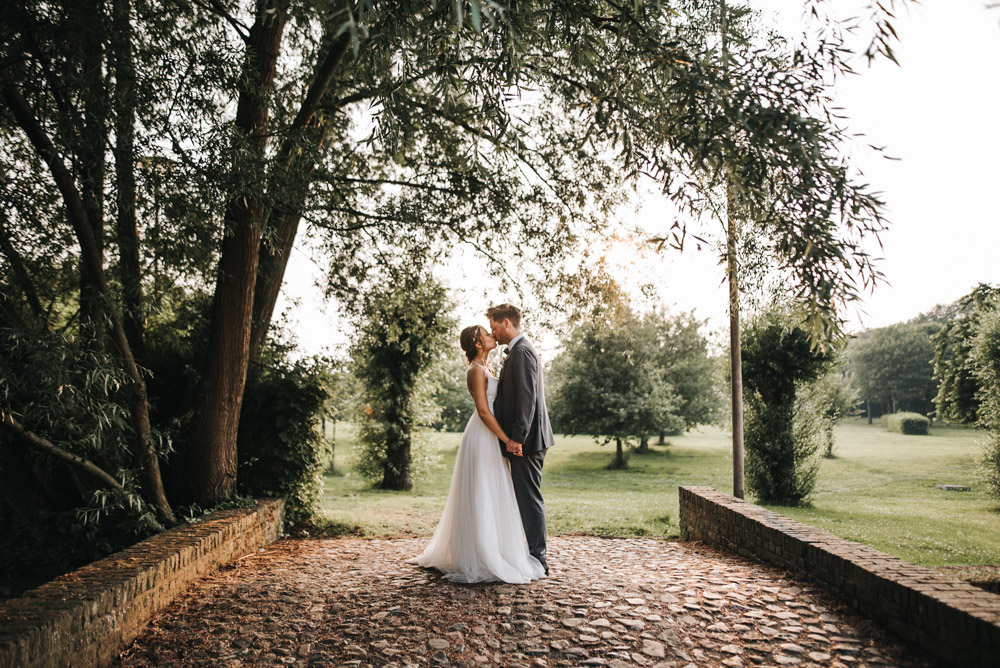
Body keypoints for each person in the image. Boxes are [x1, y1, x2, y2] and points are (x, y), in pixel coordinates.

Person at [409, 324, 545, 584]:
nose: (493, 335)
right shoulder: (475, 370)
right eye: (487, 333)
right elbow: (484, 411)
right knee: (483, 490)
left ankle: (498, 549)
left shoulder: (490, 367)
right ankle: (481, 555)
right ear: (478, 343)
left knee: (497, 491)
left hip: (493, 436)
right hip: (483, 436)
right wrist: (507, 439)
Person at [488, 303, 553, 576]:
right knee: (525, 498)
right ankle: (530, 554)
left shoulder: (523, 352)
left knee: (529, 499)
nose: (494, 333)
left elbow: (527, 399)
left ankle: (538, 559)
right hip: (525, 440)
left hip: (527, 442)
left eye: (494, 328)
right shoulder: (517, 351)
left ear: (506, 323)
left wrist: (517, 438)